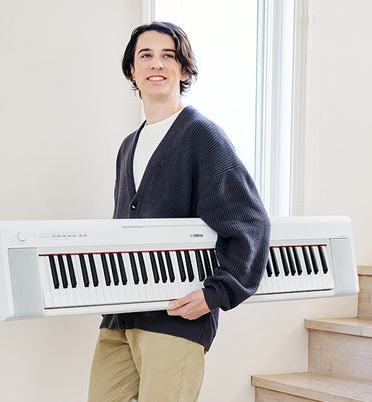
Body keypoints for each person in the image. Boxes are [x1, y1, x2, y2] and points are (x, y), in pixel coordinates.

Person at [88, 21, 271, 402]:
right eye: (146, 55)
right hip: (121, 317)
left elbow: (251, 223)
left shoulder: (202, 136)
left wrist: (216, 293)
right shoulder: (128, 146)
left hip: (175, 319)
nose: (157, 64)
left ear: (183, 69)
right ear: (131, 71)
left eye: (168, 56)